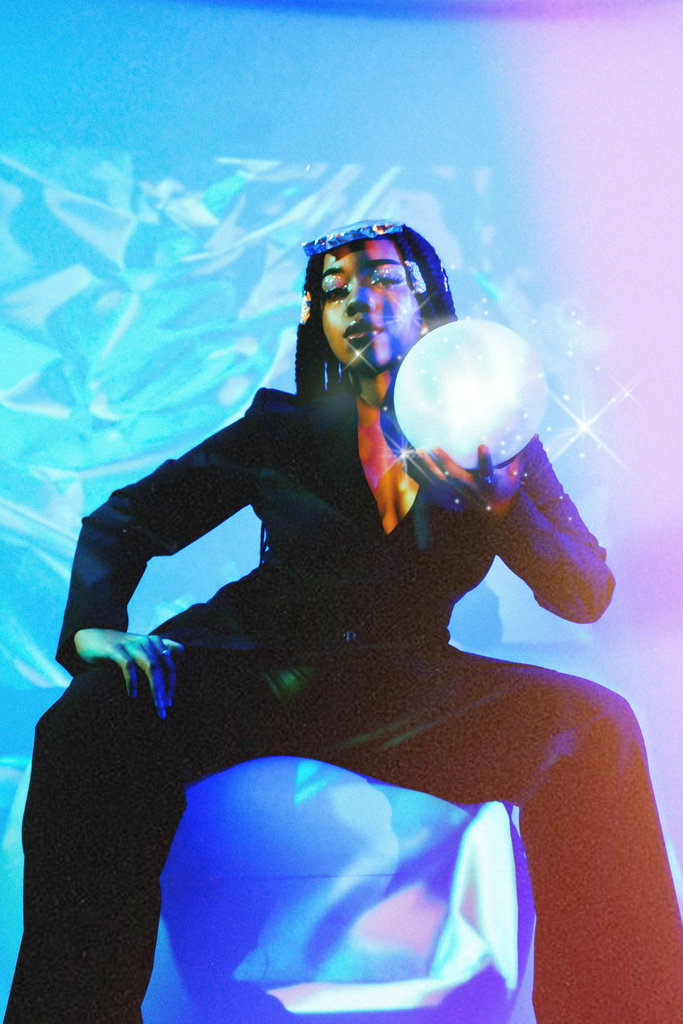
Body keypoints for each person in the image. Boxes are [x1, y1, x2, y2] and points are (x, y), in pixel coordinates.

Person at [5, 221, 682, 1024]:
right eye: (334, 291)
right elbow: (127, 520)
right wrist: (92, 627)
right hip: (255, 663)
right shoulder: (282, 428)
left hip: (406, 685)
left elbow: (584, 591)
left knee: (595, 726)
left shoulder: (496, 433)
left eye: (383, 280)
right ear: (318, 320)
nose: (359, 301)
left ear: (426, 302)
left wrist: (501, 504)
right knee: (86, 720)